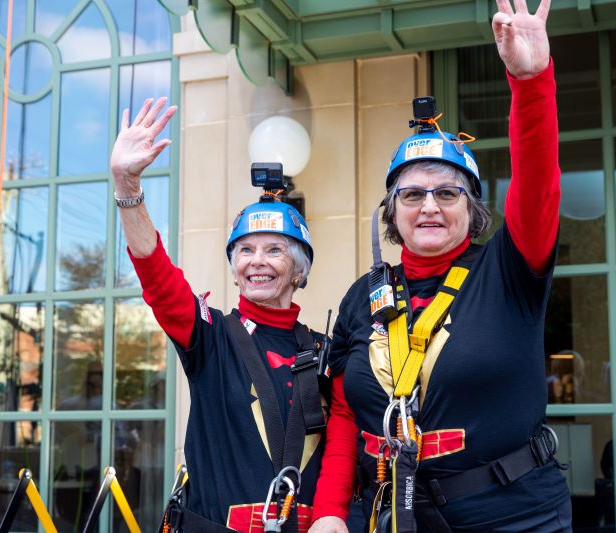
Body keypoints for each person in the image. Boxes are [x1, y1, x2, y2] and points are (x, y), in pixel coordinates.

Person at [309, 0, 571, 530]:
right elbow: (342, 414)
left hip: (515, 514)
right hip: (397, 515)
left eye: (447, 192)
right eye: (412, 195)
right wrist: (329, 513)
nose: (429, 205)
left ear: (472, 210)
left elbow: (537, 184)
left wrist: (531, 81)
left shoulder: (509, 269)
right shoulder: (364, 294)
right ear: (391, 212)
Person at [110, 98, 329, 532]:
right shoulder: (210, 334)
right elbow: (156, 273)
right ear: (233, 267)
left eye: (274, 250)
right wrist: (127, 186)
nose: (257, 261)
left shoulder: (324, 350)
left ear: (299, 269)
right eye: (244, 250)